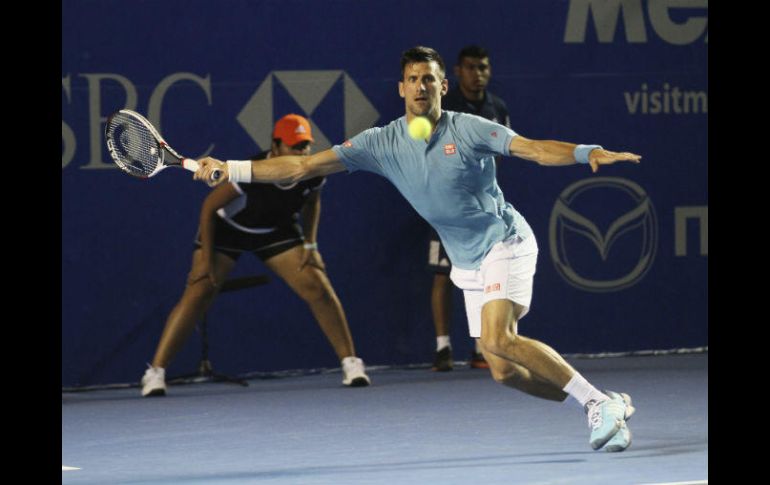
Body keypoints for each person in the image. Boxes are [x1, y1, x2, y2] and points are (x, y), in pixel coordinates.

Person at [194, 46, 641, 452]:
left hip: (505, 241)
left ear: (442, 86)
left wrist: (586, 153)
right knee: (503, 369)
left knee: (499, 338)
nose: (422, 86)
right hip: (465, 258)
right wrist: (232, 168)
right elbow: (304, 164)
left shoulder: (468, 129)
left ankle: (596, 403)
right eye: (414, 78)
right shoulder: (380, 143)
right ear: (402, 88)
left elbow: (534, 150)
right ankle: (600, 403)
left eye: (430, 78)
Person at [140, 114, 371, 397]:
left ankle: (351, 363)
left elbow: (312, 202)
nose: (302, 153)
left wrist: (311, 246)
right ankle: (155, 372)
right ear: (275, 147)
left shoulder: (312, 172)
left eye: (305, 146)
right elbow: (209, 208)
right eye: (294, 146)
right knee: (199, 291)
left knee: (317, 285)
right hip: (228, 231)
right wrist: (204, 259)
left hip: (276, 232)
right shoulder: (253, 171)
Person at [429, 45, 511, 372]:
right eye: (471, 68)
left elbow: (501, 153)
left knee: (484, 273)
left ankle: (481, 346)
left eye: (483, 68)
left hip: (482, 209)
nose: (478, 74)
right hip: (444, 207)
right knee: (443, 275)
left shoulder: (498, 108)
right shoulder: (442, 108)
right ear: (457, 72)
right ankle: (443, 347)